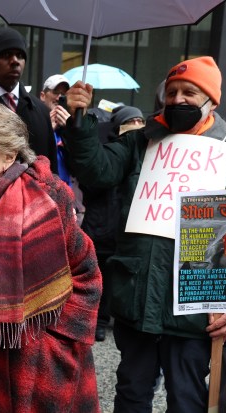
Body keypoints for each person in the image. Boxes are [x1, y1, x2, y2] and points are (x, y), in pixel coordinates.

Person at [64, 56, 226, 412]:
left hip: (195, 306)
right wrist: (79, 120)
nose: (177, 99)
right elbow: (97, 171)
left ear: (211, 100)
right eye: (172, 91)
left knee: (187, 398)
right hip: (139, 297)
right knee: (131, 393)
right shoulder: (140, 142)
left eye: (189, 92)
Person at [0, 99, 101, 412]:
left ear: (7, 153)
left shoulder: (47, 195)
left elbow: (87, 270)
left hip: (43, 361)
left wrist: (54, 341)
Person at [80, 104, 144, 342]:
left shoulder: (142, 153)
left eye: (140, 122)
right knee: (94, 277)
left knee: (111, 280)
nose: (136, 127)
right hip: (98, 227)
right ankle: (90, 320)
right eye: (131, 122)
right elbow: (90, 182)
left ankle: (103, 321)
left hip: (122, 230)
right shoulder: (106, 152)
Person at [0, 27, 58, 174]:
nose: (15, 61)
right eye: (6, 55)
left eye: (20, 55)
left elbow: (51, 170)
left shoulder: (40, 110)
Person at [39, 74, 71, 184]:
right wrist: (47, 130)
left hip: (66, 190)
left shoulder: (71, 124)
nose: (59, 98)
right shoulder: (34, 120)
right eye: (55, 92)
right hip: (43, 189)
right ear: (43, 96)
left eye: (63, 94)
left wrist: (70, 131)